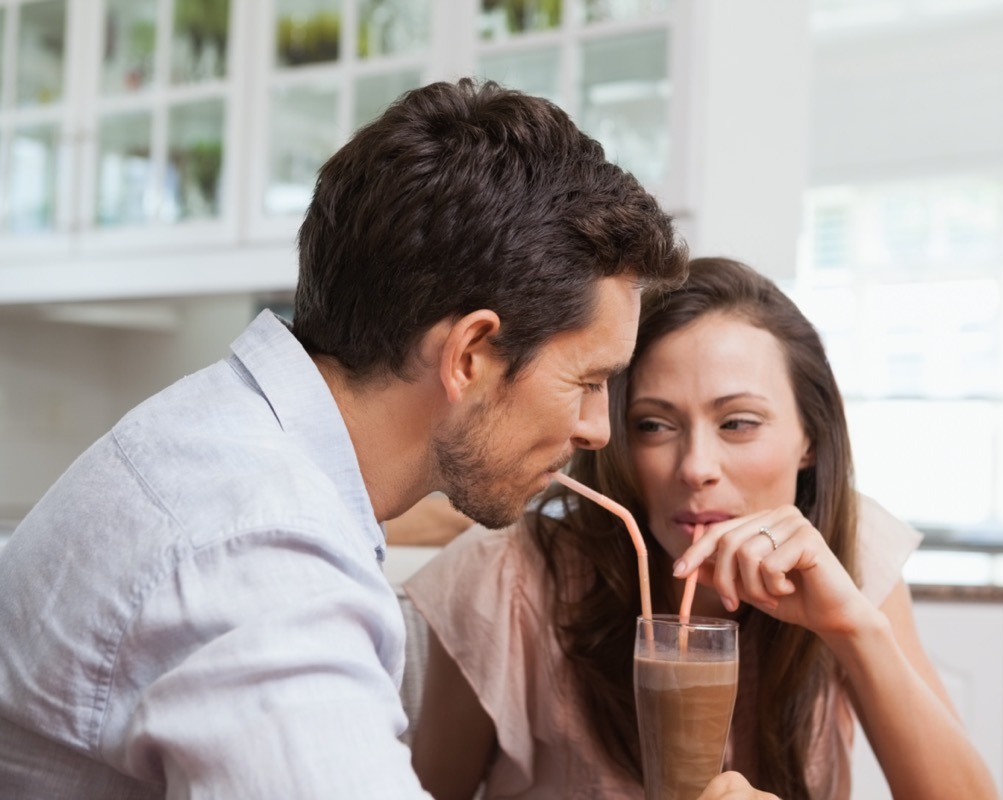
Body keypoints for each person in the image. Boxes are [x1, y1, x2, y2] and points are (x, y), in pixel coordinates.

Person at [0, 78, 690, 798]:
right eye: (586, 381)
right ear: (470, 357)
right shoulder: (260, 551)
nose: (596, 427)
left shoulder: (232, 446)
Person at [405, 257, 1000, 800]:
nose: (694, 468)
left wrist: (851, 626)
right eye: (654, 426)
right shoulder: (507, 577)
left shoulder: (848, 548)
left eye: (738, 423)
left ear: (809, 440)